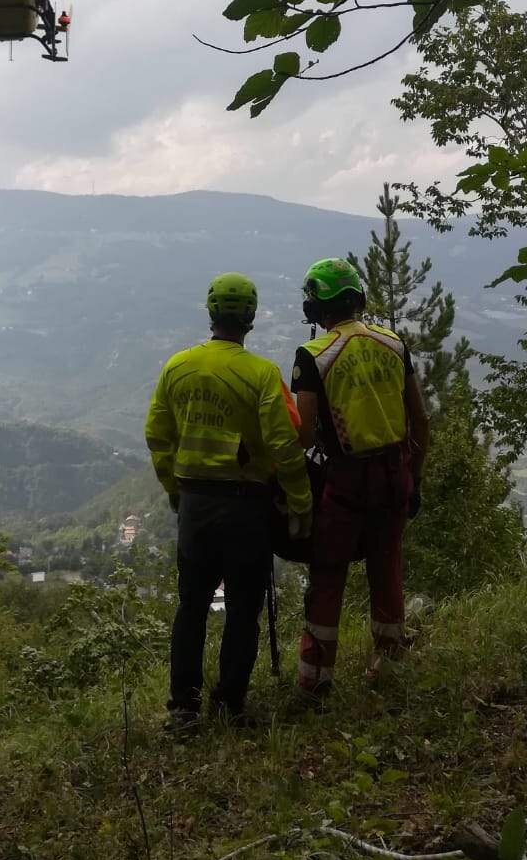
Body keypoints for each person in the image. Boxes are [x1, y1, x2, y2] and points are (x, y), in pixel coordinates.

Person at [146, 272, 312, 729]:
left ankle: (183, 707)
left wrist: (175, 491)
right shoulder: (260, 374)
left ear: (211, 312)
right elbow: (283, 444)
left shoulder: (177, 367)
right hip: (247, 507)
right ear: (251, 317)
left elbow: (157, 435)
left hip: (195, 503)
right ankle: (229, 703)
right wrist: (300, 501)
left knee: (191, 604)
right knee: (243, 607)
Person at [291, 258, 430, 701]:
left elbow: (306, 432)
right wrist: (416, 478)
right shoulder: (394, 344)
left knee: (328, 573)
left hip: (345, 480)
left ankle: (315, 678)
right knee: (386, 566)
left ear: (316, 307)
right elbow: (420, 421)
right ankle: (389, 663)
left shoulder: (313, 356)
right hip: (395, 473)